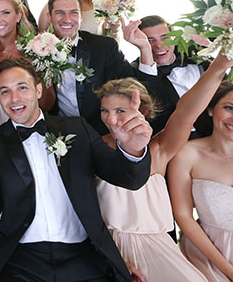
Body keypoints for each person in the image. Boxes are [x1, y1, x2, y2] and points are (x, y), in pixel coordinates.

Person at [0, 56, 152, 282]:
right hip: (22, 262)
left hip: (83, 258)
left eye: (22, 88)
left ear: (38, 90)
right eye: (4, 91)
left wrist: (133, 149)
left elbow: (128, 178)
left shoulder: (78, 128)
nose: (14, 98)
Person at [95, 55, 232, 281]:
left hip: (158, 249)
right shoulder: (92, 147)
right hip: (108, 249)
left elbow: (186, 113)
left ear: (144, 111)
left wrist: (219, 66)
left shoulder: (158, 150)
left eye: (120, 111)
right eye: (105, 111)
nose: (111, 120)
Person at [46, 0, 157, 134]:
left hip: (101, 131)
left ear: (81, 17)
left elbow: (138, 87)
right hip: (59, 131)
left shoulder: (104, 47)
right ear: (49, 16)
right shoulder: (39, 49)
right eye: (59, 13)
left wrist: (145, 49)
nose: (67, 19)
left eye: (73, 12)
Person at [168, 80, 233, 281]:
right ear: (211, 109)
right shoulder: (187, 154)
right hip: (208, 255)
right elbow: (183, 215)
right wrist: (229, 270)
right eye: (229, 108)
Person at [0, 0, 54, 132]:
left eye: (6, 13)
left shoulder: (36, 49)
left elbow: (48, 103)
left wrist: (36, 70)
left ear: (18, 16)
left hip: (31, 125)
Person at [136, 15, 211, 136]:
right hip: (179, 141)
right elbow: (153, 114)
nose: (159, 45)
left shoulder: (196, 52)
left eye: (164, 37)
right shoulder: (139, 73)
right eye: (150, 40)